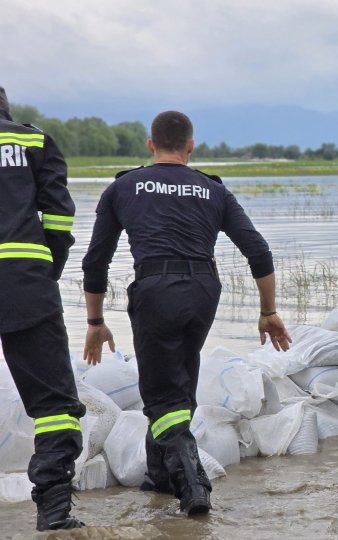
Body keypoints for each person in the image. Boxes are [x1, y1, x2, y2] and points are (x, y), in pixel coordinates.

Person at [82, 111, 292, 515]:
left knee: (160, 397)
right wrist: (268, 310)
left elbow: (95, 262)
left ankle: (193, 485)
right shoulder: (213, 189)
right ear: (190, 146)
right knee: (178, 383)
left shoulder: (123, 186)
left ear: (150, 144)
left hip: (156, 289)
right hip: (203, 291)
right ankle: (158, 478)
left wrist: (94, 322)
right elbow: (259, 251)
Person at [0, 86, 86, 531]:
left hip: (25, 279)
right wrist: (46, 269)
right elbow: (58, 217)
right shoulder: (33, 141)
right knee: (54, 403)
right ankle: (53, 510)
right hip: (24, 282)